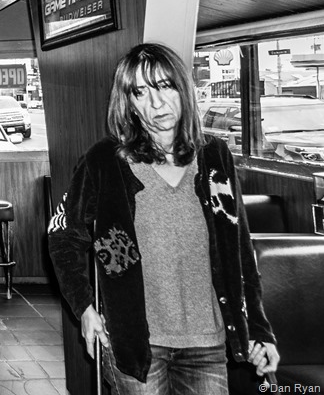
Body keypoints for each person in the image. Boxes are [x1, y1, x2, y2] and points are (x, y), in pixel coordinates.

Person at [47, 42, 279, 394]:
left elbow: (240, 250)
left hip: (208, 341)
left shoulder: (215, 156)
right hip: (137, 342)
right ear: (128, 102)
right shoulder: (106, 161)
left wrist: (260, 330)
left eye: (165, 86)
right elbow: (63, 234)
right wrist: (85, 307)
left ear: (183, 89)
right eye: (140, 92)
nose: (155, 104)